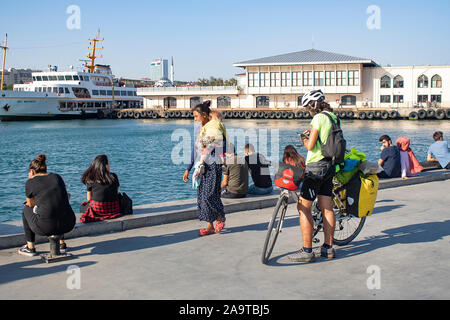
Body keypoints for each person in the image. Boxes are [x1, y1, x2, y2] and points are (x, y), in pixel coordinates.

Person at [288, 90, 338, 263]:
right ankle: (328, 248)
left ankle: (307, 250)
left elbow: (310, 146)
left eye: (307, 106)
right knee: (327, 207)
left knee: (303, 207)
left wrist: (304, 138)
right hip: (330, 165)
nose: (307, 110)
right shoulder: (333, 117)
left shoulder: (318, 118)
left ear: (313, 105)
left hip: (316, 167)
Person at [18, 154, 76, 257]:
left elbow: (30, 204)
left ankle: (30, 247)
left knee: (26, 209)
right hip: (69, 223)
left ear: (31, 171)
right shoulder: (57, 177)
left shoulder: (30, 182)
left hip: (45, 228)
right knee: (58, 204)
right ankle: (61, 243)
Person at [183, 101, 226, 236]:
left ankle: (220, 217)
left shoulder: (215, 128)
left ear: (204, 115)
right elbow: (195, 150)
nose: (195, 119)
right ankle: (210, 226)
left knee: (210, 195)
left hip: (214, 165)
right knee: (202, 197)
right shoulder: (200, 130)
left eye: (196, 116)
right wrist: (188, 168)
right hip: (202, 167)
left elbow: (224, 147)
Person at [80, 154, 122, 223]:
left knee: (82, 207)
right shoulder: (114, 176)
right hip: (114, 209)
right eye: (108, 163)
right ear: (105, 166)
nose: (109, 165)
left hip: (98, 210)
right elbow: (116, 192)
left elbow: (89, 198)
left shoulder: (91, 178)